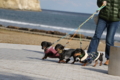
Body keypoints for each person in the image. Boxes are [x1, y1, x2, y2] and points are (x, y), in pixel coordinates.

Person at [85, 0, 120, 65]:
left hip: (114, 20)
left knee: (109, 39)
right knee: (96, 36)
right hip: (103, 18)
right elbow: (98, 2)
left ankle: (109, 58)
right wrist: (101, 2)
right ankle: (90, 57)